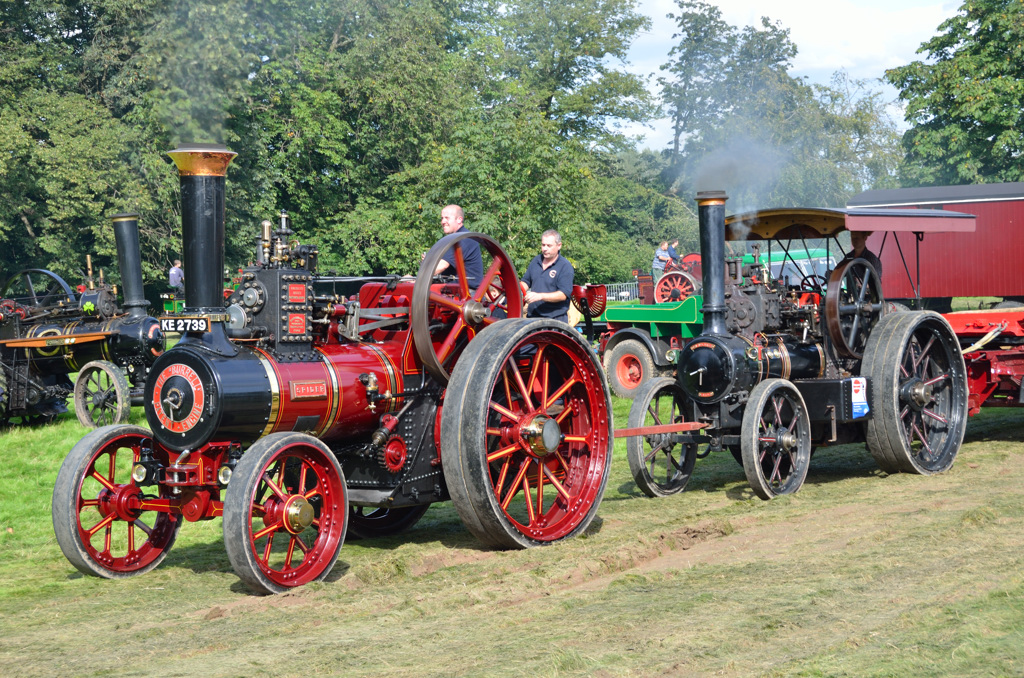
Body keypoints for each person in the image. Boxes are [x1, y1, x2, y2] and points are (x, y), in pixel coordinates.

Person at [521, 230, 574, 324]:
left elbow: (563, 294)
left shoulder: (565, 266)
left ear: (559, 245)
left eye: (549, 246)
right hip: (533, 318)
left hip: (555, 321)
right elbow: (525, 282)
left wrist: (540, 296)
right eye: (543, 245)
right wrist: (516, 290)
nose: (545, 248)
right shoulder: (536, 261)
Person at [433, 204, 483, 289]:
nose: (443, 221)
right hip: (452, 290)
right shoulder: (452, 240)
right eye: (442, 218)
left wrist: (418, 280)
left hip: (467, 295)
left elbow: (442, 266)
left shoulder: (464, 239)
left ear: (459, 219)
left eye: (447, 218)